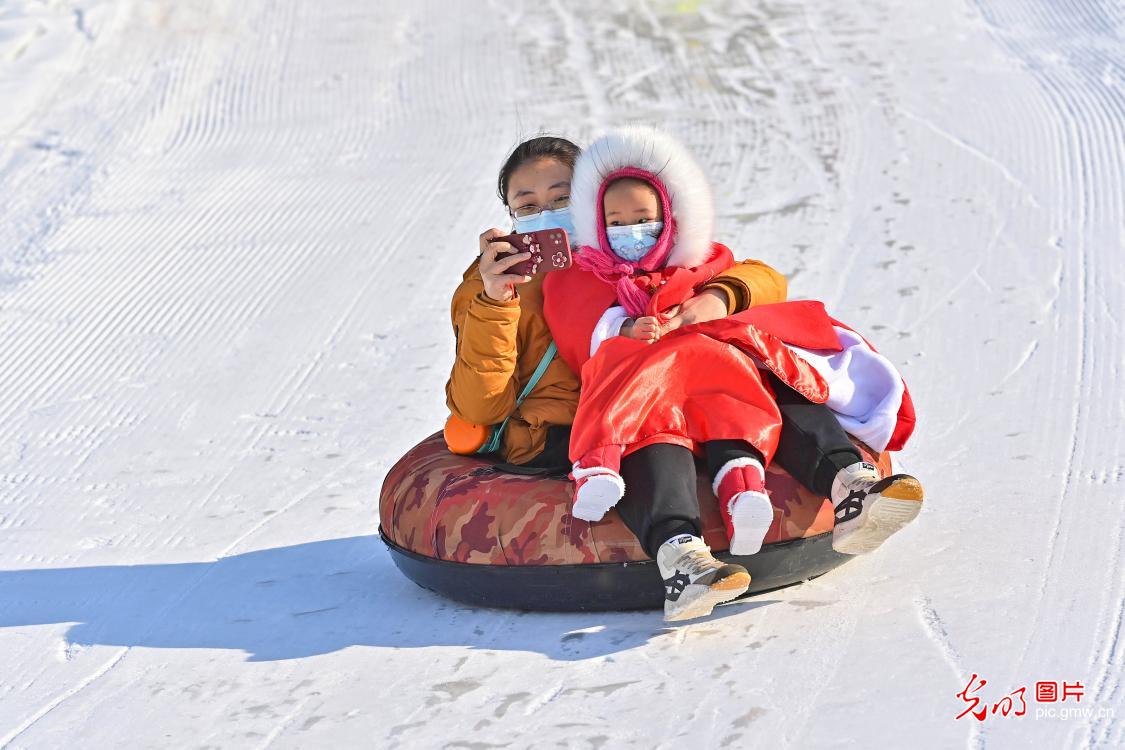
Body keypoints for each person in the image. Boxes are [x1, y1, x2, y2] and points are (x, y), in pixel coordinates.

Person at [543, 127, 924, 620]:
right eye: (616, 222)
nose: (630, 231)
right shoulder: (575, 275)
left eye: (642, 219)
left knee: (778, 382)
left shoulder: (698, 262)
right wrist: (623, 328)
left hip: (723, 385)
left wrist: (717, 298)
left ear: (670, 218)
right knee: (656, 437)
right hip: (646, 396)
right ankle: (683, 559)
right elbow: (576, 332)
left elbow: (759, 277)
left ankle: (849, 485)